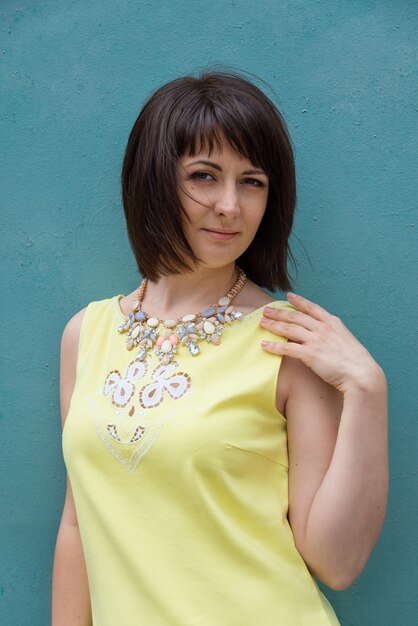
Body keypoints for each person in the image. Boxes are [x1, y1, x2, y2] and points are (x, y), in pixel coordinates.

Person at [51, 70, 389, 626]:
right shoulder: (85, 335)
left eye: (252, 181)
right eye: (204, 176)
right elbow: (78, 522)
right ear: (154, 180)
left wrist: (367, 390)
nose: (230, 205)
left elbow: (337, 562)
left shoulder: (286, 341)